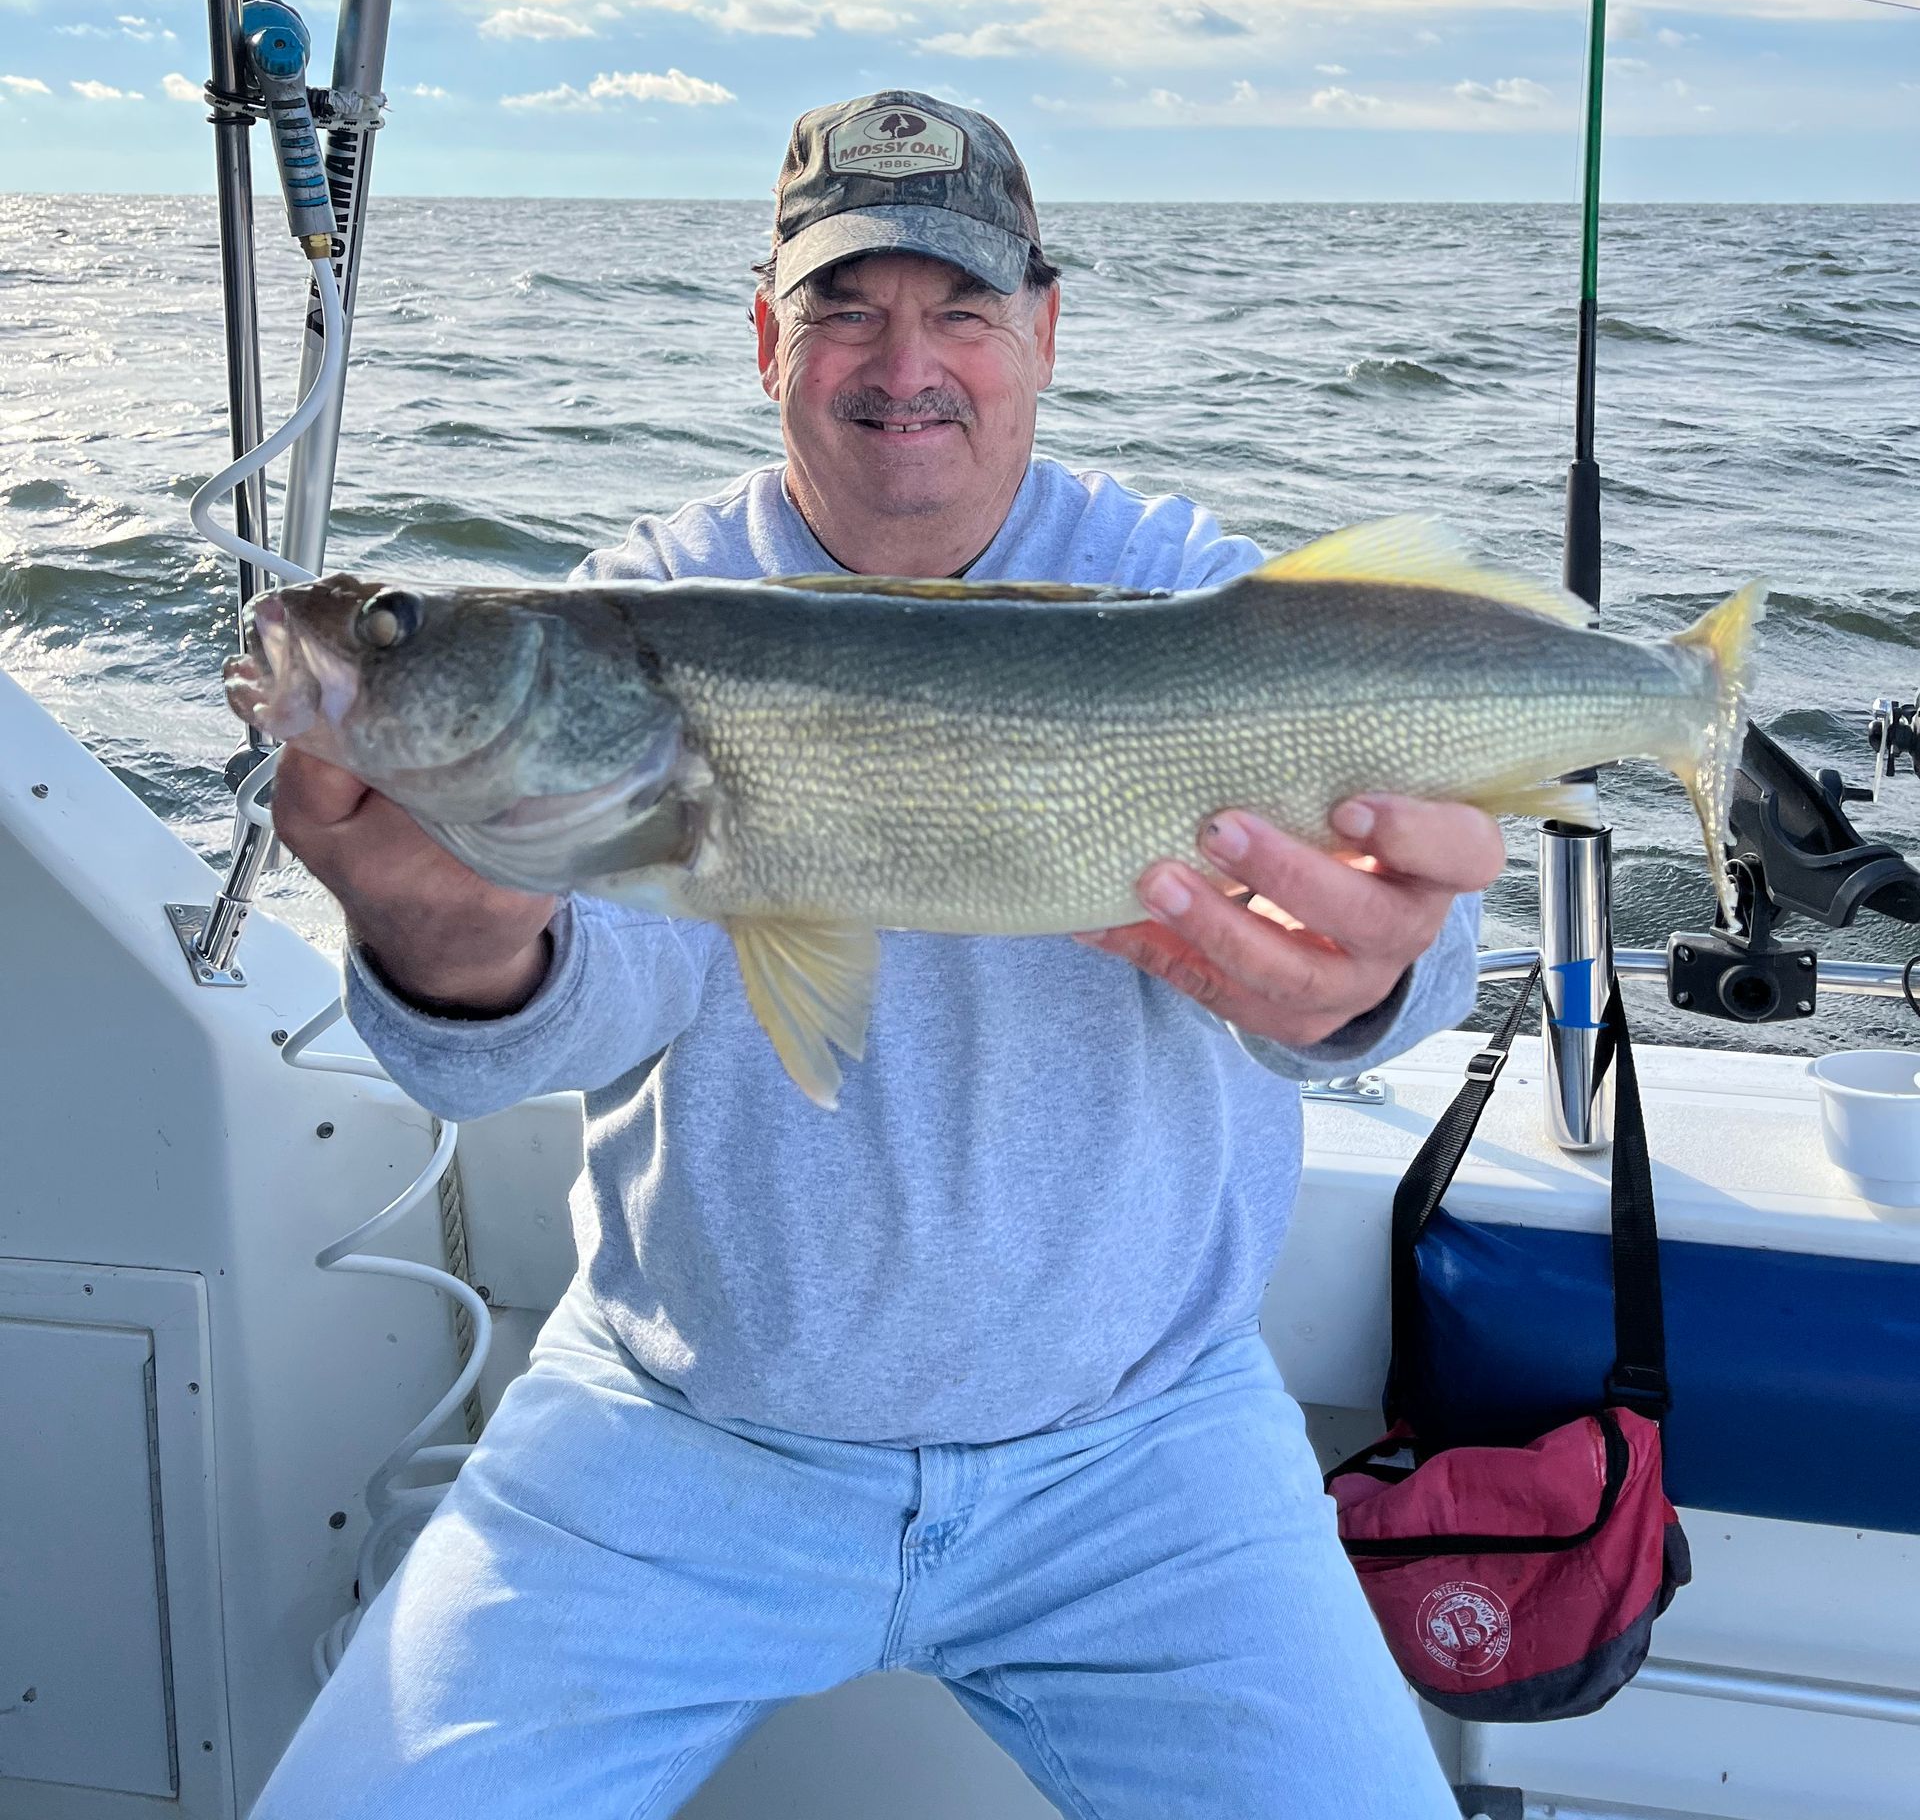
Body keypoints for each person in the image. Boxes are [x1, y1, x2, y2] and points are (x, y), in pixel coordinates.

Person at [255, 90, 1501, 1820]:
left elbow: (1421, 961)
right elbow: (557, 1017)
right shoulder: (638, 613)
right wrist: (448, 942)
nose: (901, 361)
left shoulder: (1185, 589)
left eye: (961, 308)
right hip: (681, 1429)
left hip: (1147, 1454)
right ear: (767, 335)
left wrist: (1371, 979)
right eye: (844, 304)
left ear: (1046, 334)